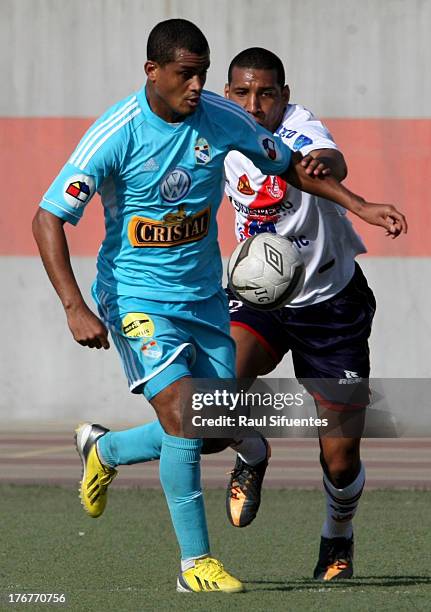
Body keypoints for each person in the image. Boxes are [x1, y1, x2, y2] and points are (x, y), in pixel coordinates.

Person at [32, 20, 406, 593]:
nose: (196, 85)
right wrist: (73, 306)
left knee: (210, 422)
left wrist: (360, 206)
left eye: (202, 74)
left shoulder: (222, 118)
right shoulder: (117, 132)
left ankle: (104, 449)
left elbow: (293, 165)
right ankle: (194, 566)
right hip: (137, 298)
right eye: (186, 74)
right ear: (152, 71)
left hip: (209, 296)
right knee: (186, 417)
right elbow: (47, 217)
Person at [219, 47, 407, 581]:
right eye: (242, 93)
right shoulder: (215, 128)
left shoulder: (302, 127)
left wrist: (357, 199)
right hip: (259, 300)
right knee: (207, 409)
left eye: (267, 93)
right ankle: (252, 454)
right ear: (228, 94)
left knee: (341, 456)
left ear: (285, 94)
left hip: (331, 305)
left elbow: (317, 164)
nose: (255, 105)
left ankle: (337, 539)